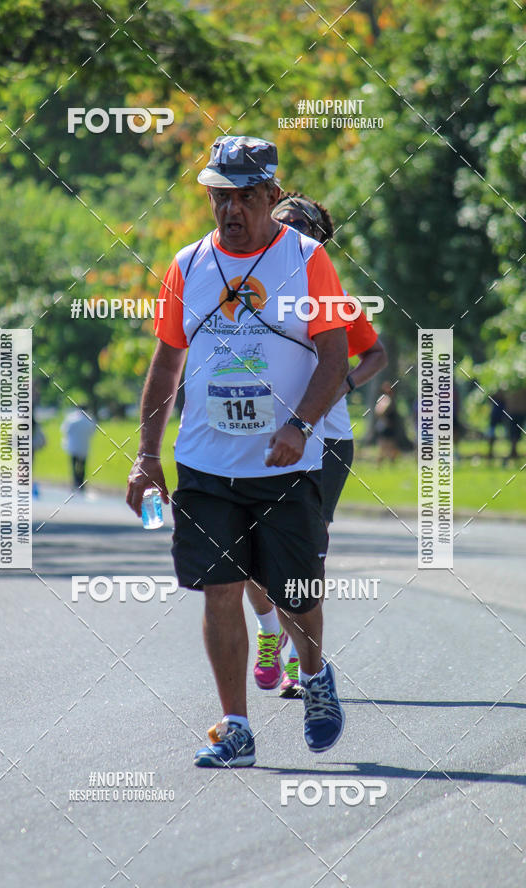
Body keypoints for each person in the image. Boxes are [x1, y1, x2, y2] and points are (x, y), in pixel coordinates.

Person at [127, 135, 349, 767]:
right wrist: (147, 454)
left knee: (298, 587)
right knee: (220, 589)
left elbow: (335, 354)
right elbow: (166, 363)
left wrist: (301, 425)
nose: (231, 209)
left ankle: (314, 678)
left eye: (245, 196)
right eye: (220, 196)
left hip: (286, 463)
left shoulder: (307, 260)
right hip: (205, 463)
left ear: (272, 196)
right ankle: (236, 727)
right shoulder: (188, 265)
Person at [245, 193, 387, 698]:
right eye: (283, 222)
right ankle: (269, 634)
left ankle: (298, 663)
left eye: (301, 227)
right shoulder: (242, 282)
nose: (290, 232)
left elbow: (375, 354)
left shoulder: (331, 293)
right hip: (259, 432)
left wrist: (343, 386)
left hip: (326, 440)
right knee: (250, 551)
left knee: (302, 556)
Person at [61, 407, 96, 492]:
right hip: (84, 445)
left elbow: (64, 430)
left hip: (73, 445)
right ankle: (81, 484)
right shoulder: (89, 419)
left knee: (73, 466)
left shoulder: (71, 418)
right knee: (82, 466)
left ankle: (74, 483)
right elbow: (93, 431)